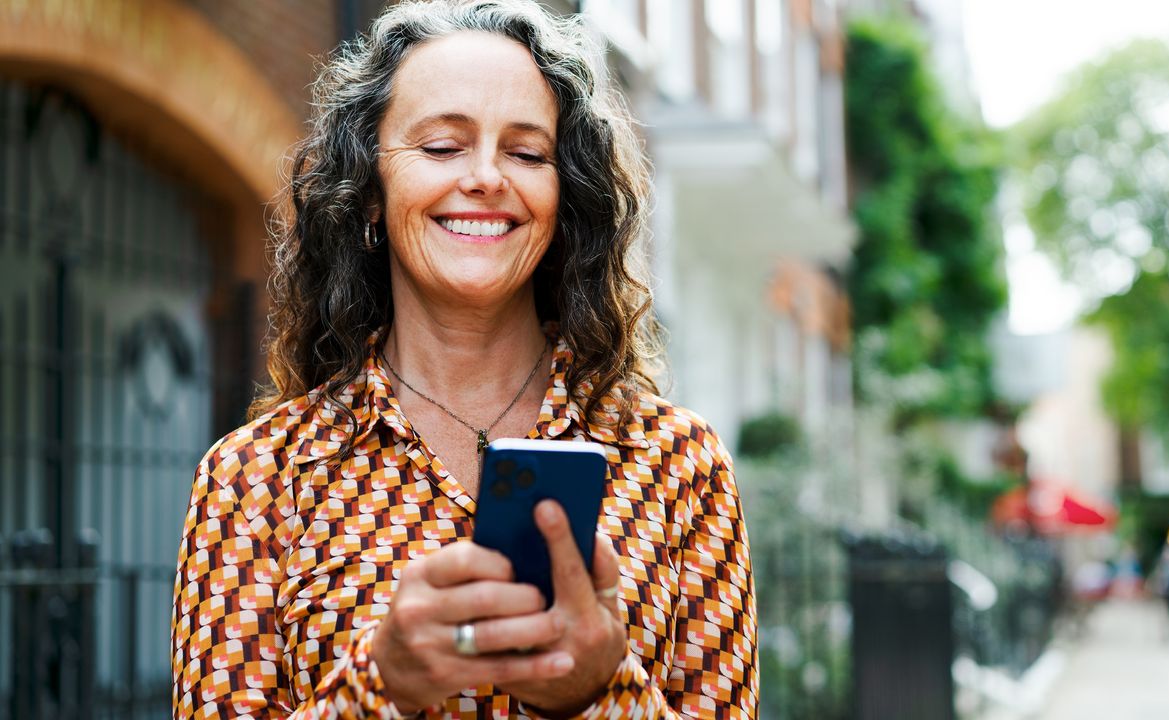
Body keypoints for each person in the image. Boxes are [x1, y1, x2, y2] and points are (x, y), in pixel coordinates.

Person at [169, 2, 758, 718]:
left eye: (527, 152)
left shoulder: (678, 466)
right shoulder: (256, 480)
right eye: (443, 147)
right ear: (369, 193)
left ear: (564, 196)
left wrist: (598, 694)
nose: (485, 177)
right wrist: (380, 686)